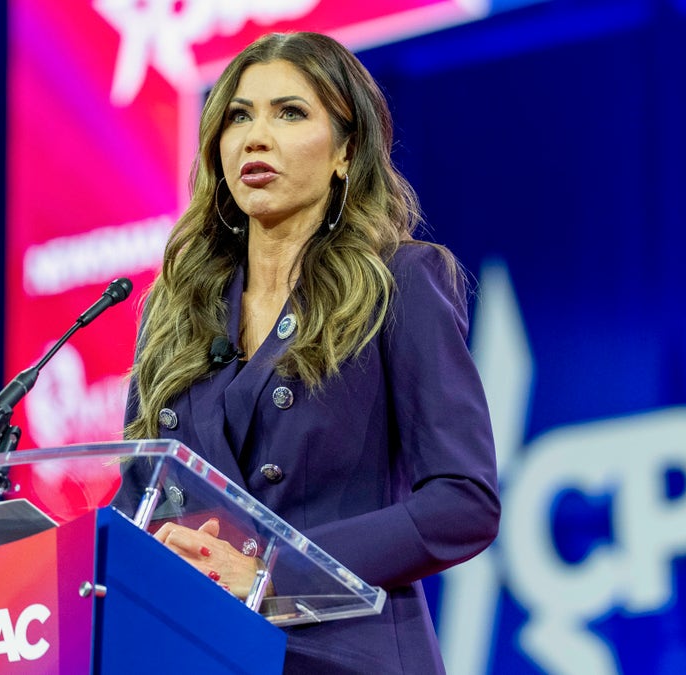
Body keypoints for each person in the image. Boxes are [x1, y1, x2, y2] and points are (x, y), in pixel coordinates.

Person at [122, 31, 500, 673]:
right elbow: (139, 507)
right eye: (239, 115)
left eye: (289, 112)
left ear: (346, 153)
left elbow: (464, 502)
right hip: (201, 655)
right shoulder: (173, 312)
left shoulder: (399, 281)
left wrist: (271, 570)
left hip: (344, 656)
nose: (255, 137)